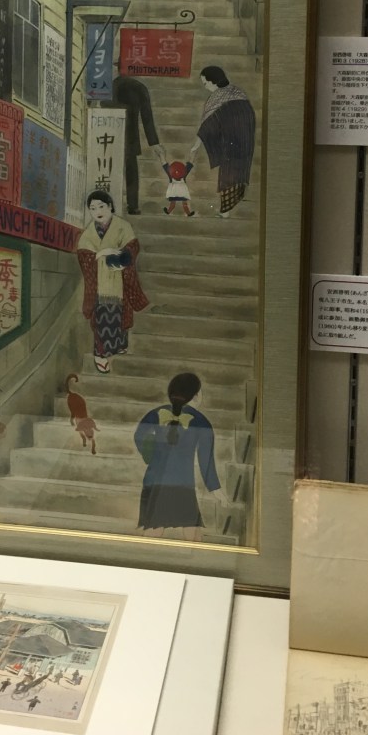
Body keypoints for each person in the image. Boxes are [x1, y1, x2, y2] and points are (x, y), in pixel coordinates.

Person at [133, 371, 223, 540]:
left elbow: (139, 436)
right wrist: (215, 488)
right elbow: (206, 460)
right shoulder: (202, 422)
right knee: (192, 532)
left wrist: (152, 455)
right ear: (196, 396)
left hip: (153, 481)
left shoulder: (155, 414)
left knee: (153, 530)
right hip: (182, 484)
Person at [76, 190, 148, 373]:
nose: (98, 211)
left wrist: (120, 257)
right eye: (93, 208)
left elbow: (132, 247)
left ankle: (119, 345)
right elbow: (84, 255)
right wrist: (102, 252)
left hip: (118, 279)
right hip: (99, 283)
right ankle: (100, 354)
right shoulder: (89, 232)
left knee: (119, 315)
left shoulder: (123, 226)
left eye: (101, 206)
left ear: (110, 206)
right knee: (102, 318)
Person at [189, 65, 256, 217]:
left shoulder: (216, 97)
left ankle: (226, 210)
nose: (205, 87)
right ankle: (229, 207)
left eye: (205, 83)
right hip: (244, 135)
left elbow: (207, 124)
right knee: (240, 168)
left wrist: (196, 145)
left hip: (231, 136)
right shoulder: (238, 92)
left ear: (213, 81)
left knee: (229, 169)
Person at [109, 73, 166, 214]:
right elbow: (147, 116)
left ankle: (111, 203)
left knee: (111, 168)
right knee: (131, 170)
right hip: (130, 136)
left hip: (109, 132)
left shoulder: (110, 85)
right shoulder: (139, 87)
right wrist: (153, 142)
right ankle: (132, 205)